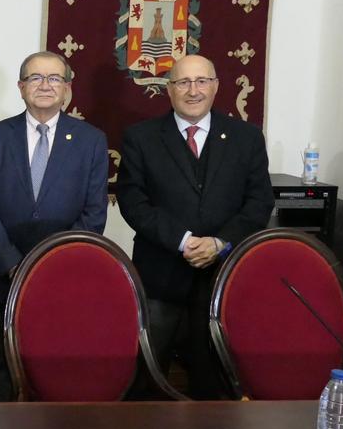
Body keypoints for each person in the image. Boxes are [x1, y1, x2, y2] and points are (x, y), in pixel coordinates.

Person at [115, 54, 274, 399]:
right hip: (160, 278)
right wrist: (182, 241)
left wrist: (220, 242)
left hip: (222, 278)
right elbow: (133, 202)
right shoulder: (140, 138)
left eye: (202, 81)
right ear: (169, 90)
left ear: (216, 86)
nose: (193, 90)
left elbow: (259, 203)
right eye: (183, 82)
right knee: (144, 378)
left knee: (213, 381)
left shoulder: (246, 138)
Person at [0, 51, 108, 401]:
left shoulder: (91, 141)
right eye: (35, 78)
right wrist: (12, 263)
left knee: (54, 371)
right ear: (21, 87)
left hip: (63, 278)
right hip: (1, 275)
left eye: (54, 79)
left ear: (67, 89)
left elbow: (94, 214)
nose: (45, 86)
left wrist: (51, 265)